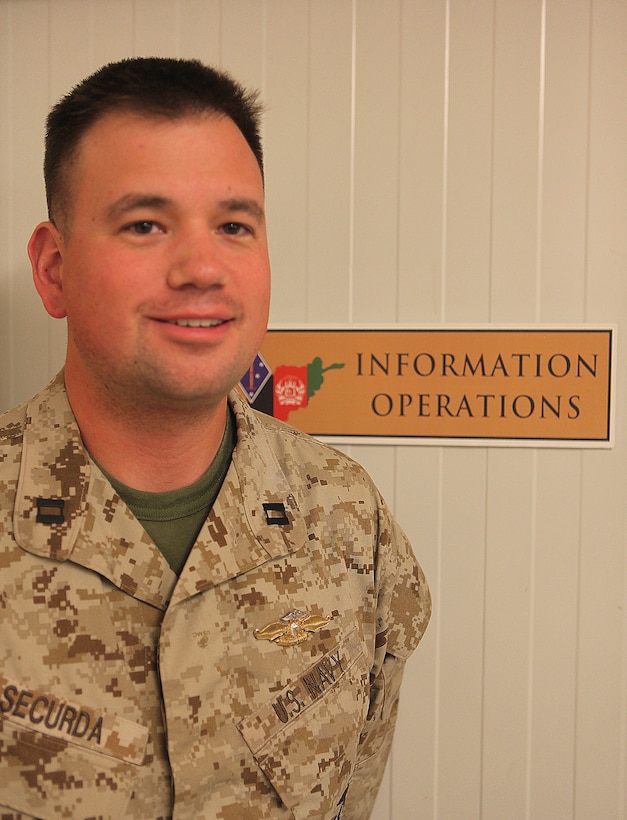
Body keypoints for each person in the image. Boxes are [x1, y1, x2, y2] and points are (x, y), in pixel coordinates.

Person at [0, 57, 431, 819]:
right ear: (55, 268)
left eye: (234, 226)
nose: (203, 267)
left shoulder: (345, 518)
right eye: (144, 225)